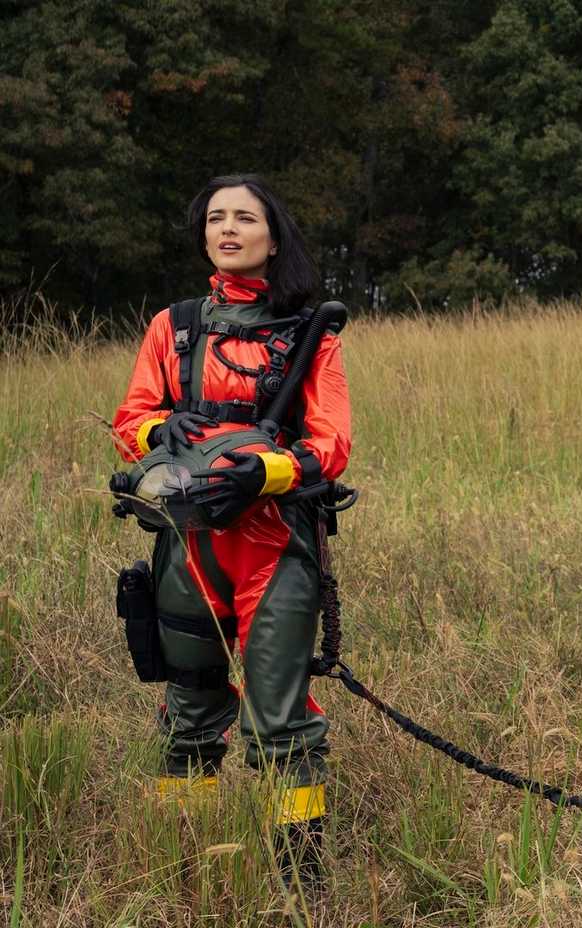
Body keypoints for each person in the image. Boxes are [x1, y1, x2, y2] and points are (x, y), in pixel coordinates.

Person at [112, 174, 350, 875]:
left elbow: (332, 444)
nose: (228, 229)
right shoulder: (173, 326)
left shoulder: (312, 334)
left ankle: (302, 885)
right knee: (188, 716)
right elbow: (129, 422)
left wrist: (265, 473)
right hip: (186, 547)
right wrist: (162, 427)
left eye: (244, 218)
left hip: (275, 545)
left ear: (273, 237)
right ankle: (184, 872)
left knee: (283, 726)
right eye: (216, 218)